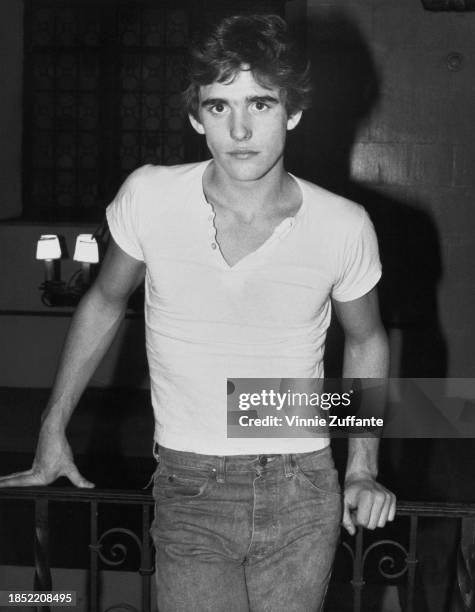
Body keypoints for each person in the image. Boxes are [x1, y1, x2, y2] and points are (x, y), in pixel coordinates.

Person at [0, 14, 396, 611]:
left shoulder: (343, 225)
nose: (239, 128)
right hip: (190, 486)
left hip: (302, 483)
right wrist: (52, 427)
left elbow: (366, 341)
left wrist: (363, 466)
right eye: (218, 107)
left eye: (260, 103)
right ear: (195, 117)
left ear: (293, 111)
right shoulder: (151, 196)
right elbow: (104, 301)